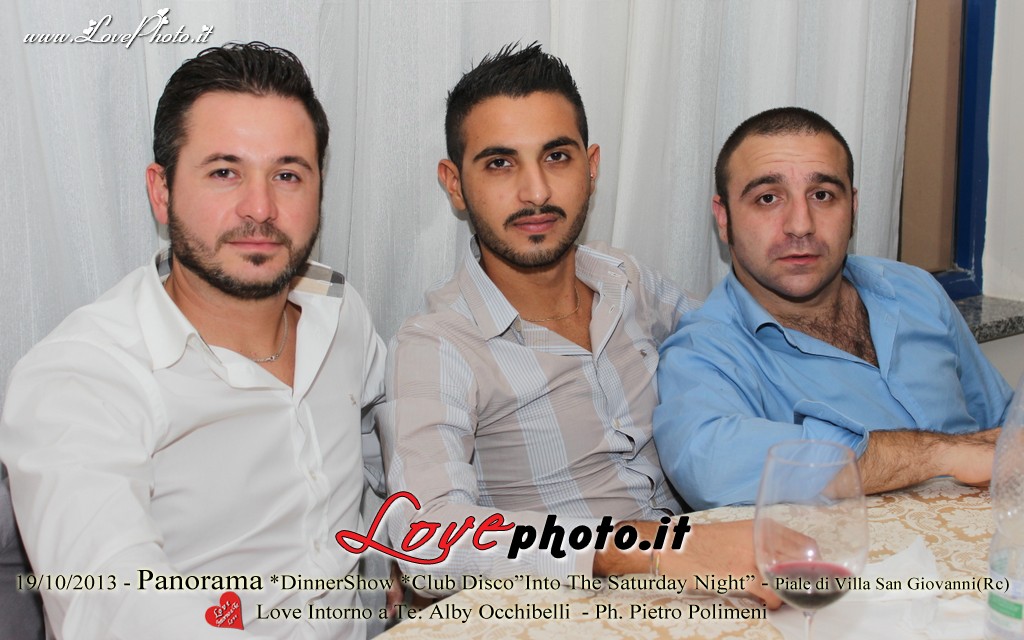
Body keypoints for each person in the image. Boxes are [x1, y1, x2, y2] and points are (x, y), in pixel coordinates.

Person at [0, 43, 388, 639]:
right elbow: (113, 605)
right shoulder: (83, 376)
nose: (260, 209)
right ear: (161, 191)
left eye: (287, 175)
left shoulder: (340, 311)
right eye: (224, 172)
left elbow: (388, 433)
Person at [380, 42, 780, 607]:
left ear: (591, 168)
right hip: (576, 611)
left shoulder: (625, 278)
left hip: (718, 582)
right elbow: (428, 541)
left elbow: (740, 349)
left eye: (556, 157)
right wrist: (646, 550)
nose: (536, 192)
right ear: (454, 183)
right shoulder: (436, 343)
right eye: (500, 164)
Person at [654, 106, 1012, 511]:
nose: (800, 225)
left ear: (852, 207)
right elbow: (711, 467)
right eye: (768, 198)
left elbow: (1001, 418)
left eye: (822, 195)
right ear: (724, 218)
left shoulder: (914, 290)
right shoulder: (704, 352)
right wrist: (938, 454)